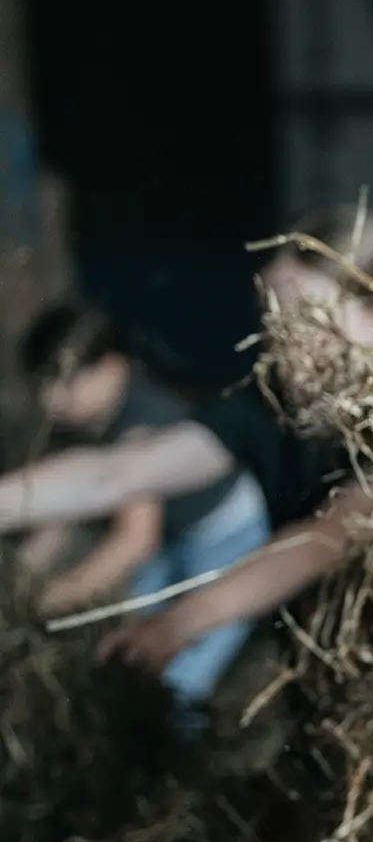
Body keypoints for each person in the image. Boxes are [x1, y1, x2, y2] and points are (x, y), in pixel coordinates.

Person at [0, 205, 373, 683]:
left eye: (309, 316)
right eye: (272, 318)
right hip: (329, 674)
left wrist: (179, 624)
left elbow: (327, 537)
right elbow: (117, 472)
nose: (285, 342)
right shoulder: (267, 408)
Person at [12, 302, 274, 727]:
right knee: (128, 631)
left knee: (180, 658)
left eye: (63, 383)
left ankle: (180, 747)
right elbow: (63, 512)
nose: (50, 400)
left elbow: (135, 540)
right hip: (174, 533)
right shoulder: (81, 424)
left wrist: (47, 602)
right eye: (43, 385)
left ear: (111, 367)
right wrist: (21, 574)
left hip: (226, 535)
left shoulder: (141, 426)